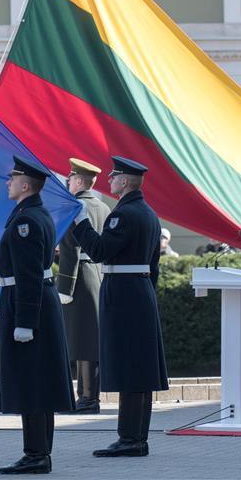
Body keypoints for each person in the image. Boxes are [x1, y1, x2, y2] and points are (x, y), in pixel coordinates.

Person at [72, 156, 168, 457]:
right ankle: (137, 436)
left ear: (125, 181)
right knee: (140, 368)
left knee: (129, 366)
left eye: (114, 176)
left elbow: (100, 251)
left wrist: (80, 222)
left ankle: (129, 438)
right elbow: (154, 267)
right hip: (139, 292)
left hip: (124, 294)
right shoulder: (149, 214)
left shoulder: (123, 215)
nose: (110, 180)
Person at [0, 156, 74, 475]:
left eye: (12, 177)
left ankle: (36, 454)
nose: (7, 182)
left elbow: (28, 274)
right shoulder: (31, 214)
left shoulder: (26, 221)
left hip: (30, 304)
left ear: (25, 185)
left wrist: (24, 321)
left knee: (31, 383)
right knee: (37, 383)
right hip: (34, 300)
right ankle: (39, 452)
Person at [56, 158, 109, 414]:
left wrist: (64, 286)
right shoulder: (103, 207)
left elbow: (70, 248)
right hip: (96, 274)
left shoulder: (75, 206)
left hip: (79, 277)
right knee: (89, 339)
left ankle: (88, 399)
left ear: (78, 181)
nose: (68, 183)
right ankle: (87, 397)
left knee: (83, 340)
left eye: (70, 179)